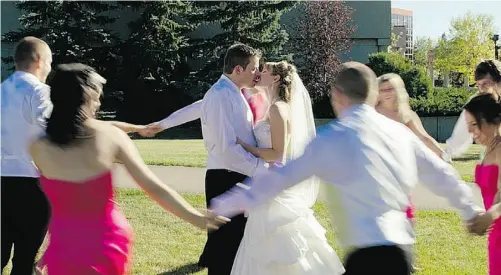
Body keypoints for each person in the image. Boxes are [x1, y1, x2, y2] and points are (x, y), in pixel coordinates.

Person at [211, 61, 483, 275]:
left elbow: (280, 179)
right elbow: (440, 173)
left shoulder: (333, 138)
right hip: (401, 254)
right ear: (372, 95)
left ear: (338, 95)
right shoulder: (397, 132)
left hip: (366, 256)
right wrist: (471, 210)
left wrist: (223, 205)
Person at [29, 63, 228, 275]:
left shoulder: (37, 147)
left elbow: (63, 206)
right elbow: (152, 186)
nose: (98, 104)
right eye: (97, 97)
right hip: (103, 244)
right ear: (86, 98)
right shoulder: (109, 136)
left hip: (64, 247)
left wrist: (48, 252)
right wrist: (196, 218)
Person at [230, 61, 344, 274]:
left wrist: (246, 146)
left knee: (277, 242)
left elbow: (277, 154)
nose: (259, 73)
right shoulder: (273, 105)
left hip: (275, 185)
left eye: (264, 70)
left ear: (275, 79)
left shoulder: (277, 108)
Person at [197, 43, 268, 275]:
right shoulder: (219, 96)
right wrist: (259, 168)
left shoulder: (235, 93)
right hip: (224, 177)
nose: (257, 74)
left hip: (236, 175)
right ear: (238, 69)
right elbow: (226, 148)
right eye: (254, 68)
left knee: (236, 247)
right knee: (223, 250)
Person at [376, 72, 444, 272]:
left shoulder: (407, 115)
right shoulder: (372, 112)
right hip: (378, 171)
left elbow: (424, 138)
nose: (386, 93)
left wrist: (443, 155)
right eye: (382, 89)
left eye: (390, 88)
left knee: (406, 214)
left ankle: (405, 257)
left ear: (398, 90)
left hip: (400, 173)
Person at [1, 36, 53, 275]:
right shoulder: (40, 92)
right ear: (40, 61)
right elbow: (51, 133)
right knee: (24, 260)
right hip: (31, 184)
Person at [463, 93, 501, 275]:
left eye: (473, 124)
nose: (470, 131)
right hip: (495, 234)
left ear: (490, 121)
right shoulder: (487, 150)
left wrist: (489, 216)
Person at [144, 87, 268, 135]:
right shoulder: (236, 93)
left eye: (263, 71)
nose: (257, 73)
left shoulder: (272, 101)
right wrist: (163, 124)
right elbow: (197, 108)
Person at [442, 60, 501, 162]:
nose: (482, 89)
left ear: (498, 82)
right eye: (478, 85)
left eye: (486, 84)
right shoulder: (478, 102)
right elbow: (461, 132)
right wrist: (446, 154)